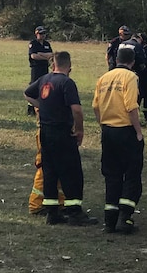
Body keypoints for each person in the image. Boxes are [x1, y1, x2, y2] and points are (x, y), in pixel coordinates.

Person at [24, 51, 97, 226]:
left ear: (53, 64)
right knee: (72, 172)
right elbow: (77, 110)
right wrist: (79, 130)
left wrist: (44, 106)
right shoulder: (67, 82)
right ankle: (74, 213)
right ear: (69, 66)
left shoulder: (44, 79)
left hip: (45, 132)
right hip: (62, 133)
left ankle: (52, 212)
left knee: (50, 172)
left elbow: (27, 94)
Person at [92, 46, 144, 234]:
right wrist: (138, 132)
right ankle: (125, 218)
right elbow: (131, 106)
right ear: (132, 61)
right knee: (131, 174)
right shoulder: (131, 77)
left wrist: (103, 126)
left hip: (108, 132)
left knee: (112, 175)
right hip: (126, 131)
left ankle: (109, 220)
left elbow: (96, 107)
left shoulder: (104, 78)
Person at [28, 26, 53, 115]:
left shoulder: (47, 44)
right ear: (36, 34)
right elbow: (34, 56)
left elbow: (51, 55)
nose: (43, 35)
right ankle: (31, 108)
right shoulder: (33, 43)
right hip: (36, 68)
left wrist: (40, 54)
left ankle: (42, 107)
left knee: (44, 87)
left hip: (45, 68)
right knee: (34, 87)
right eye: (41, 33)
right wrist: (45, 56)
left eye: (44, 33)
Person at [134, 33, 147, 126]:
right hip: (142, 77)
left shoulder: (145, 49)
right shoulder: (139, 48)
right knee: (139, 98)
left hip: (146, 76)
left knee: (145, 98)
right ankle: (138, 118)